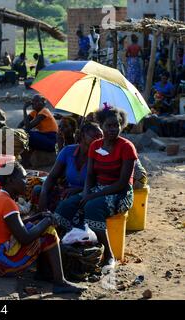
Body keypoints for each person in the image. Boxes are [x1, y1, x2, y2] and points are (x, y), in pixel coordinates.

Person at [0, 162, 87, 293]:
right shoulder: (7, 202)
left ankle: (44, 273)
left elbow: (16, 226)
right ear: (10, 180)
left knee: (38, 227)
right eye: (23, 178)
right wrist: (47, 221)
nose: (27, 182)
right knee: (49, 233)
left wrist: (38, 217)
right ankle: (59, 282)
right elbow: (24, 238)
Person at [54, 107, 137, 270]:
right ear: (101, 125)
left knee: (93, 206)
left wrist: (92, 196)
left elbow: (122, 183)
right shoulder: (95, 146)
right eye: (109, 125)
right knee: (67, 205)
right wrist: (85, 192)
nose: (113, 129)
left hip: (121, 193)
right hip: (97, 188)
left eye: (117, 125)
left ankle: (109, 255)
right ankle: (64, 246)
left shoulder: (127, 147)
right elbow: (90, 175)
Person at [34, 122, 103, 213]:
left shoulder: (101, 156)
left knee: (66, 205)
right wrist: (44, 193)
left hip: (88, 193)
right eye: (95, 136)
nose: (99, 140)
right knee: (38, 190)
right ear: (82, 135)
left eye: (101, 137)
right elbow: (52, 177)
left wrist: (79, 190)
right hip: (68, 191)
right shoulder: (68, 151)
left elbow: (101, 185)